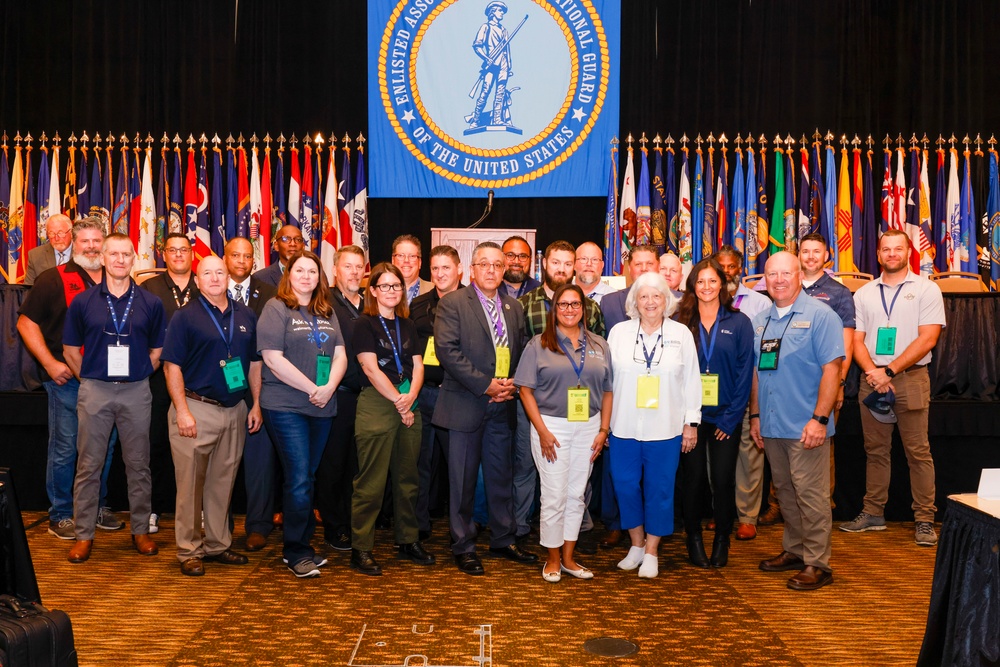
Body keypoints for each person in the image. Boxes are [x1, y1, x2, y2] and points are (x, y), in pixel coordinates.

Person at [433, 241, 538, 576]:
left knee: (500, 477)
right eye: (485, 264)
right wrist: (485, 384)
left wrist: (510, 384)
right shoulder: (452, 303)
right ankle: (463, 545)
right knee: (462, 482)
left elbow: (518, 350)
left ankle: (504, 539)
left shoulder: (513, 307)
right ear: (472, 268)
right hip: (466, 403)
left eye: (497, 264)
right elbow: (448, 351)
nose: (492, 270)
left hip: (502, 404)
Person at [63, 233, 167, 563]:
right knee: (89, 465)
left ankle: (140, 530)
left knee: (138, 464)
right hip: (95, 388)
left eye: (126, 254)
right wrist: (92, 378)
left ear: (134, 259)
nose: (120, 260)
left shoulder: (151, 303)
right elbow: (69, 350)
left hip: (137, 389)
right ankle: (83, 535)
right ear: (103, 259)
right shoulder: (83, 302)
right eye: (114, 254)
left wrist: (137, 373)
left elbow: (158, 351)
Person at [841, 229, 945, 546]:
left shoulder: (927, 290)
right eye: (886, 249)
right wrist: (873, 371)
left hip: (910, 377)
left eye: (897, 248)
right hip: (871, 380)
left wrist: (890, 369)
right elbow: (856, 340)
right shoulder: (864, 294)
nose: (891, 254)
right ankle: (873, 513)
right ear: (878, 254)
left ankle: (925, 519)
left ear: (908, 251)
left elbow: (928, 338)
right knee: (875, 452)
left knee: (918, 453)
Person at [17, 218, 120, 539]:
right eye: (84, 241)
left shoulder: (116, 278)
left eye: (96, 241)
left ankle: (97, 505)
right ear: (73, 244)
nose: (91, 247)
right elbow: (25, 324)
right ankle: (61, 512)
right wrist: (49, 363)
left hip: (110, 380)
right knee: (66, 448)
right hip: (67, 380)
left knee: (104, 446)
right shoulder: (52, 279)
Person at [749, 251, 843, 591]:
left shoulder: (822, 316)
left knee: (811, 496)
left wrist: (820, 418)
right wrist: (756, 416)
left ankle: (818, 564)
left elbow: (832, 371)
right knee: (785, 493)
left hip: (806, 426)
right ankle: (795, 549)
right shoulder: (761, 321)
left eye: (785, 273)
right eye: (771, 274)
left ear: (799, 274)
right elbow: (758, 374)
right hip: (772, 425)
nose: (778, 280)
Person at [162, 256, 261, 576]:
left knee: (223, 483)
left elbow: (255, 364)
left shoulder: (245, 314)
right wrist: (182, 411)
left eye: (220, 272)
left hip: (235, 409)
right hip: (196, 409)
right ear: (198, 279)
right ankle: (189, 550)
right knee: (190, 486)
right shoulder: (184, 317)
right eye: (208, 273)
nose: (215, 278)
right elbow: (171, 366)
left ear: (228, 275)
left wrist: (255, 404)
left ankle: (219, 545)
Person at [257, 250, 348, 577]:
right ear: (289, 274)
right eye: (300, 270)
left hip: (322, 406)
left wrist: (328, 388)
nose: (307, 276)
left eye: (313, 271)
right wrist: (313, 388)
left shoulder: (327, 310)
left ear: (320, 278)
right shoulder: (276, 307)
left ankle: (298, 543)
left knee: (306, 477)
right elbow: (272, 359)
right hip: (285, 405)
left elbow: (340, 355)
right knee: (297, 477)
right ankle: (297, 552)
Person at [515, 283, 612, 582]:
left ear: (584, 309)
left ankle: (570, 558)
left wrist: (604, 430)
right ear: (554, 309)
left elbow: (608, 391)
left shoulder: (599, 344)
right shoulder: (538, 344)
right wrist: (541, 431)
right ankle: (553, 558)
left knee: (576, 494)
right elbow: (525, 391)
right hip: (551, 426)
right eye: (563, 304)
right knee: (555, 495)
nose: (569, 310)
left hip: (589, 427)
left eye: (575, 304)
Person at [606, 272, 701, 578]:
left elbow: (691, 381)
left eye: (657, 296)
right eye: (644, 296)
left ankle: (652, 551)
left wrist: (691, 423)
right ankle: (635, 544)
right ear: (634, 301)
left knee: (660, 490)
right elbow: (606, 382)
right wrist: (603, 424)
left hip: (666, 428)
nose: (650, 302)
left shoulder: (681, 334)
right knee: (625, 485)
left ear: (666, 301)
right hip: (623, 426)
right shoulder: (619, 333)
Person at [517, 240, 605, 544]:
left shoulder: (592, 308)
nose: (562, 269)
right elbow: (518, 352)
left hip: (583, 413)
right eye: (557, 262)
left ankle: (575, 531)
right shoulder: (525, 304)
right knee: (528, 469)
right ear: (545, 264)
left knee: (578, 480)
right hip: (537, 405)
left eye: (569, 264)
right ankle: (523, 528)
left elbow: (599, 359)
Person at [350, 262, 433, 576]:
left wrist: (410, 396)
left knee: (408, 480)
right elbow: (370, 369)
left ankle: (408, 540)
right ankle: (361, 548)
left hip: (409, 402)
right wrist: (399, 401)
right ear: (372, 291)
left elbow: (418, 364)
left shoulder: (407, 324)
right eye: (384, 286)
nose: (391, 291)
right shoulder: (364, 324)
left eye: (396, 286)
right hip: (378, 404)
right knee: (371, 483)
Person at [674, 259, 754, 568]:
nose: (706, 287)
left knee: (723, 481)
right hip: (689, 419)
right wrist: (684, 419)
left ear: (722, 284)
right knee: (692, 481)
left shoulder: (739, 322)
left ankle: (722, 540)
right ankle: (693, 539)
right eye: (700, 281)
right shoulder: (679, 322)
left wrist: (731, 418)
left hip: (725, 419)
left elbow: (745, 372)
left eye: (712, 281)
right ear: (692, 286)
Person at [598, 243, 659, 549]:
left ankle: (651, 526)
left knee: (653, 470)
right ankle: (614, 523)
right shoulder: (609, 302)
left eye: (650, 264)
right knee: (617, 467)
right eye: (638, 264)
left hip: (657, 401)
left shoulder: (667, 302)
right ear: (627, 268)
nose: (644, 269)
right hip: (619, 397)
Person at [141, 232, 200, 534]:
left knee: (197, 447)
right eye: (172, 250)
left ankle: (198, 508)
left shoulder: (204, 285)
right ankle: (153, 509)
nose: (178, 254)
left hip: (199, 379)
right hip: (156, 379)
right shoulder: (149, 288)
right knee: (156, 445)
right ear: (163, 255)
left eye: (184, 250)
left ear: (193, 254)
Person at [715, 245, 775, 539]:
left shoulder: (759, 303)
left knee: (749, 453)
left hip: (749, 383)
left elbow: (765, 350)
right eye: (721, 266)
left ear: (741, 269)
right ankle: (721, 511)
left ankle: (747, 515)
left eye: (731, 267)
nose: (727, 271)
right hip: (715, 390)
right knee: (717, 455)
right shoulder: (705, 298)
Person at [224, 237, 278, 551]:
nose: (241, 261)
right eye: (236, 255)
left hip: (262, 386)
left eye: (247, 256)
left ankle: (259, 525)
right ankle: (222, 525)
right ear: (225, 257)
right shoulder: (210, 288)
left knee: (260, 462)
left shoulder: (270, 294)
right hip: (222, 388)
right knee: (223, 463)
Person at [315, 245, 367, 552]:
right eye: (348, 267)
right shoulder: (325, 304)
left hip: (370, 396)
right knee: (334, 463)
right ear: (335, 271)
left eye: (359, 267)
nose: (354, 272)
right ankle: (335, 526)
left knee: (358, 465)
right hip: (339, 395)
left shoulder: (371, 302)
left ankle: (353, 521)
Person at [409, 245, 462, 540]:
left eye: (446, 268)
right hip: (424, 393)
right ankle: (419, 524)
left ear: (459, 270)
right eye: (436, 269)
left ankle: (460, 528)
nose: (440, 274)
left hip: (457, 394)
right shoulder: (417, 304)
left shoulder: (472, 302)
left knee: (458, 466)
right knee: (421, 461)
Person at [799, 233, 856, 507]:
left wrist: (840, 383)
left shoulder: (839, 292)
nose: (810, 256)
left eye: (816, 251)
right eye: (805, 251)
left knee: (823, 442)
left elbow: (847, 341)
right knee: (783, 439)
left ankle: (825, 502)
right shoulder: (786, 286)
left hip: (826, 380)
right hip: (791, 381)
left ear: (827, 255)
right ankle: (779, 503)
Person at [469, 1, 514, 130]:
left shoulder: (504, 30)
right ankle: (475, 120)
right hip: (491, 65)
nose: (502, 14)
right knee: (485, 92)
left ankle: (497, 120)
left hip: (503, 65)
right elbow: (477, 46)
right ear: (493, 12)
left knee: (500, 94)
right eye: (500, 11)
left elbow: (507, 50)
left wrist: (509, 66)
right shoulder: (486, 27)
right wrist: (486, 58)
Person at [25, 213, 73, 285]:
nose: (56, 238)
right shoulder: (35, 255)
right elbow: (28, 290)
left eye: (61, 233)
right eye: (52, 233)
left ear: (71, 232)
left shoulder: (84, 253)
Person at [392, 234, 433, 305]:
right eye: (401, 255)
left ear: (420, 262)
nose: (406, 260)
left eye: (412, 256)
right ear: (393, 260)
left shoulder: (434, 291)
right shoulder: (378, 292)